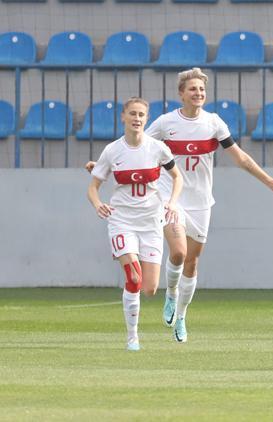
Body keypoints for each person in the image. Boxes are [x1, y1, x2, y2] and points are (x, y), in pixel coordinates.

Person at [87, 68, 273, 343]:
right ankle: (171, 294)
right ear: (181, 94)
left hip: (202, 202)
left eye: (202, 89)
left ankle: (181, 316)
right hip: (171, 198)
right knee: (179, 253)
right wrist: (101, 168)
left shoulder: (214, 123)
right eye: (193, 89)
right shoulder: (166, 123)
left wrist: (268, 180)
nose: (198, 93)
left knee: (192, 262)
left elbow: (240, 157)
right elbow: (137, 146)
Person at [87, 97, 183, 351]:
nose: (137, 118)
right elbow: (93, 187)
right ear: (123, 117)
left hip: (151, 221)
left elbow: (177, 177)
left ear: (146, 118)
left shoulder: (158, 148)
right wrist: (98, 205)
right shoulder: (112, 151)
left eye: (141, 114)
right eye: (132, 114)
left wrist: (172, 202)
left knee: (149, 288)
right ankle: (133, 337)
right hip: (122, 220)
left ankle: (148, 303)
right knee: (133, 276)